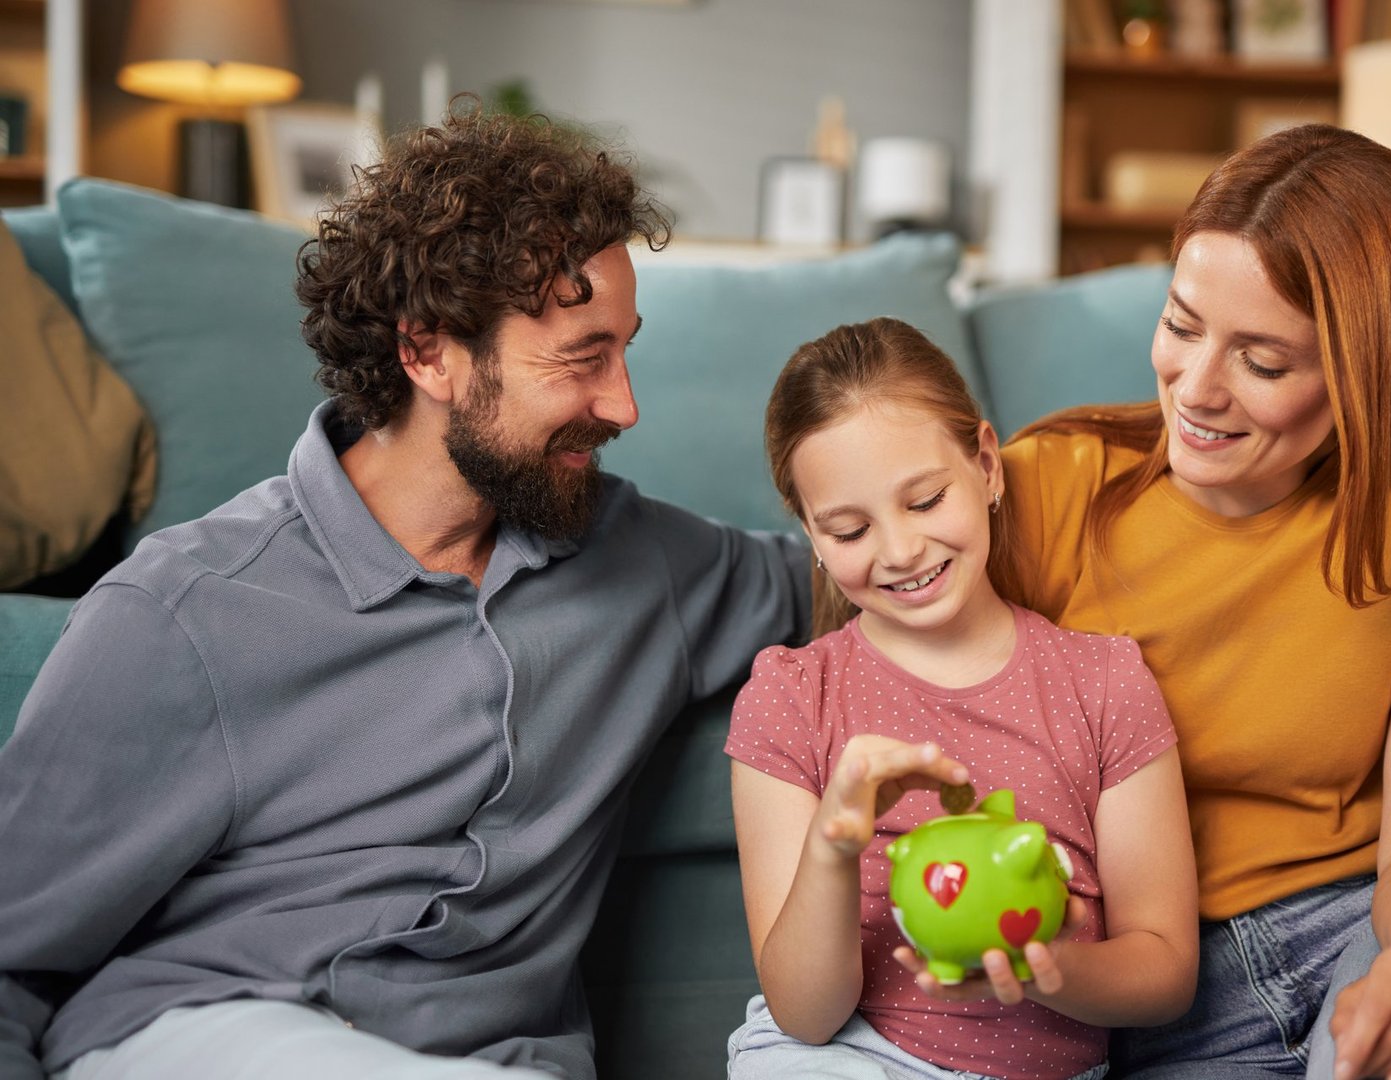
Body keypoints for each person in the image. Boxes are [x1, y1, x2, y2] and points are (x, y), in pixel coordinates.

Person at [0, 104, 807, 1080]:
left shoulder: (646, 564)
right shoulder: (186, 612)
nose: (624, 405)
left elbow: (866, 571)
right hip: (207, 1032)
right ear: (426, 351)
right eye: (582, 356)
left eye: (624, 349)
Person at [1002, 124, 1391, 1080]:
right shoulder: (1047, 489)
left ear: (1366, 373)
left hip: (1363, 938)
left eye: (1264, 362)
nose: (1195, 388)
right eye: (1181, 322)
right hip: (1133, 995)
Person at [723, 317, 1199, 1080]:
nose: (901, 550)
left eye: (925, 500)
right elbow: (806, 1014)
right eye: (849, 530)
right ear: (810, 534)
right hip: (847, 1058)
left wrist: (1046, 973)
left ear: (986, 464)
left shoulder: (1105, 684)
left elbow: (1166, 971)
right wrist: (834, 847)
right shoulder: (789, 698)